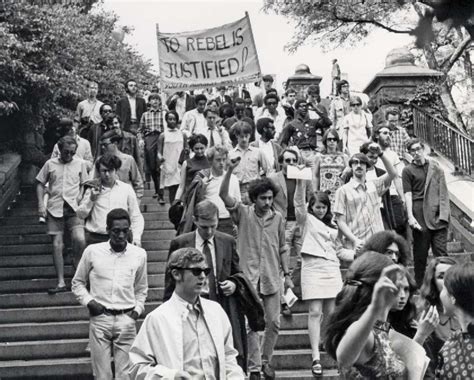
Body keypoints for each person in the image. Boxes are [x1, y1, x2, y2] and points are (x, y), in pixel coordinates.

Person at [220, 162, 293, 380]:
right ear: (254, 198)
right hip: (248, 279)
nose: (267, 202)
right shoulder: (243, 213)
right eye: (263, 198)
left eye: (270, 198)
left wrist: (287, 274)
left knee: (274, 322)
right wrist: (230, 171)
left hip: (271, 277)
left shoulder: (278, 218)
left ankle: (265, 361)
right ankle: (253, 368)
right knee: (251, 325)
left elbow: (282, 247)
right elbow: (223, 194)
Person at [129, 247, 245, 379]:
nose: (202, 276)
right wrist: (170, 376)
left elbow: (229, 356)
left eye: (205, 271)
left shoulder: (216, 311)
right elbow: (137, 367)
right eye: (196, 271)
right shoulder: (157, 318)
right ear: (176, 274)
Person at [163, 201, 247, 370]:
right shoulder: (180, 243)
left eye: (213, 226)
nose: (209, 232)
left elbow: (238, 273)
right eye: (204, 227)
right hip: (189, 305)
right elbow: (170, 282)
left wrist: (233, 284)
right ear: (194, 220)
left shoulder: (227, 241)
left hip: (219, 303)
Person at [72, 208, 148, 380]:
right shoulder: (92, 252)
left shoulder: (139, 255)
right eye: (116, 231)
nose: (121, 235)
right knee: (102, 375)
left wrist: (136, 312)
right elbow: (77, 283)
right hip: (100, 319)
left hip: (126, 318)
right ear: (107, 230)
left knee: (125, 375)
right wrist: (90, 302)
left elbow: (141, 288)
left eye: (125, 230)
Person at [325, 252, 408, 378]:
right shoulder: (365, 332)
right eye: (397, 285)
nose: (402, 293)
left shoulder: (382, 329)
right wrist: (374, 307)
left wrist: (421, 336)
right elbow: (344, 359)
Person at [294, 184, 344, 378]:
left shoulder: (333, 225)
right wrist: (300, 182)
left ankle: (327, 343)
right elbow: (298, 204)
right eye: (317, 206)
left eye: (324, 207)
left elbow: (339, 249)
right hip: (312, 267)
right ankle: (315, 355)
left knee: (331, 312)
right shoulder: (305, 220)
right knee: (315, 311)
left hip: (331, 267)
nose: (321, 210)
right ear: (311, 207)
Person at [36, 136, 88, 294]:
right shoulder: (50, 164)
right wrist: (40, 204)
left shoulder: (80, 164)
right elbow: (39, 183)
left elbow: (85, 184)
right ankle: (60, 281)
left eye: (72, 152)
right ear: (59, 149)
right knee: (57, 244)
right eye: (66, 152)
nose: (69, 155)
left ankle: (77, 272)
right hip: (54, 208)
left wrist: (80, 196)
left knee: (80, 238)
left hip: (73, 208)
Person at [333, 144, 397, 259]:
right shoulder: (342, 191)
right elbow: (340, 221)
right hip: (359, 244)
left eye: (362, 163)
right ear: (351, 167)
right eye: (355, 163)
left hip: (378, 242)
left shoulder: (374, 185)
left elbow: (392, 173)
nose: (358, 166)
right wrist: (355, 240)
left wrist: (381, 153)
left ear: (367, 167)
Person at [402, 138, 450, 285]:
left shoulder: (435, 167)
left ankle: (446, 283)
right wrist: (410, 216)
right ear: (409, 153)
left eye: (418, 149)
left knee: (441, 252)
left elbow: (443, 192)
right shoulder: (407, 170)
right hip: (419, 214)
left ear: (423, 149)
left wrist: (444, 215)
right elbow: (408, 195)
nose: (416, 153)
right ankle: (419, 284)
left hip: (436, 214)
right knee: (420, 253)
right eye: (412, 151)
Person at [77, 153, 144, 246]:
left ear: (116, 170)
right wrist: (91, 200)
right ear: (99, 172)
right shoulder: (92, 189)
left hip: (121, 237)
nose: (107, 174)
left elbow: (135, 215)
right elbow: (80, 214)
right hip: (97, 238)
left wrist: (136, 237)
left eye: (110, 170)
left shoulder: (126, 189)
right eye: (104, 171)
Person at [183, 145, 241, 237]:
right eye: (218, 160)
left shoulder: (233, 178)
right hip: (209, 222)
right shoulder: (203, 178)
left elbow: (238, 202)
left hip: (228, 222)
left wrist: (238, 223)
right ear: (210, 161)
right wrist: (202, 189)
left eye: (224, 159)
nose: (222, 163)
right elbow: (194, 202)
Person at [418, 257, 459, 378]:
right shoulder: (427, 318)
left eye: (452, 275)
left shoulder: (468, 312)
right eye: (441, 277)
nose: (447, 281)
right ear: (433, 282)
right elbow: (427, 369)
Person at [436, 262, 474, 379]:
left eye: (444, 289)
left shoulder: (451, 346)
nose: (441, 294)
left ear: (453, 297)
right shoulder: (453, 340)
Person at [372, 124, 408, 237]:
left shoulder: (393, 155)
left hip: (392, 195)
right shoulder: (370, 153)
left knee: (399, 225)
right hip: (375, 195)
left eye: (390, 134)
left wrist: (402, 197)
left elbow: (397, 177)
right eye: (385, 133)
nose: (388, 136)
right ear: (377, 135)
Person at [97, 130, 144, 202]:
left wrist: (136, 203)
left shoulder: (128, 160)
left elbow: (138, 184)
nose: (103, 147)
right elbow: (93, 181)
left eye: (105, 144)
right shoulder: (99, 161)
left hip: (125, 201)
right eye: (101, 145)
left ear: (115, 143)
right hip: (106, 201)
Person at [231, 121, 270, 205]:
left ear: (250, 135)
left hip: (254, 189)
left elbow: (269, 170)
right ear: (236, 136)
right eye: (241, 136)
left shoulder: (258, 152)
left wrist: (264, 186)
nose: (244, 139)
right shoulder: (230, 154)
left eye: (246, 136)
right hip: (237, 190)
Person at [137, 92, 165, 200]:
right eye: (153, 99)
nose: (155, 101)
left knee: (160, 165)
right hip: (149, 139)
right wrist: (140, 139)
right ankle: (157, 189)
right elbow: (140, 130)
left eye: (157, 99)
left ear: (160, 101)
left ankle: (160, 192)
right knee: (152, 166)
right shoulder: (145, 115)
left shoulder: (163, 113)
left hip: (161, 137)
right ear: (149, 102)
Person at [279, 99, 321, 167]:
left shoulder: (313, 122)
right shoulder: (291, 124)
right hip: (299, 154)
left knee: (314, 175)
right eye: (301, 106)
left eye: (306, 106)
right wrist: (290, 154)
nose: (304, 108)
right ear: (296, 109)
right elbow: (283, 142)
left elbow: (328, 122)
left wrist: (317, 110)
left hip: (313, 153)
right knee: (301, 175)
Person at [157, 110, 186, 204]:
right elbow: (159, 152)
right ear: (166, 120)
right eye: (170, 119)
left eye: (174, 119)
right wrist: (160, 158)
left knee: (181, 187)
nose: (172, 121)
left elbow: (186, 148)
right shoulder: (163, 135)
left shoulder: (182, 134)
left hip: (180, 163)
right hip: (168, 163)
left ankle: (181, 211)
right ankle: (173, 211)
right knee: (172, 189)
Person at [314, 129, 348, 207]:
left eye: (334, 139)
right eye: (329, 139)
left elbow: (348, 173)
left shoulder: (344, 157)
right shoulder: (319, 156)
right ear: (325, 141)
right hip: (324, 192)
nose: (332, 141)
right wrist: (315, 192)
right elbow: (315, 175)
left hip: (339, 192)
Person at [174, 133, 210, 203]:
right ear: (192, 149)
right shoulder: (186, 163)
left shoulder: (210, 162)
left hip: (207, 198)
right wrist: (176, 200)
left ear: (206, 147)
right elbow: (181, 186)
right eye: (196, 148)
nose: (199, 151)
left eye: (201, 148)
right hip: (191, 199)